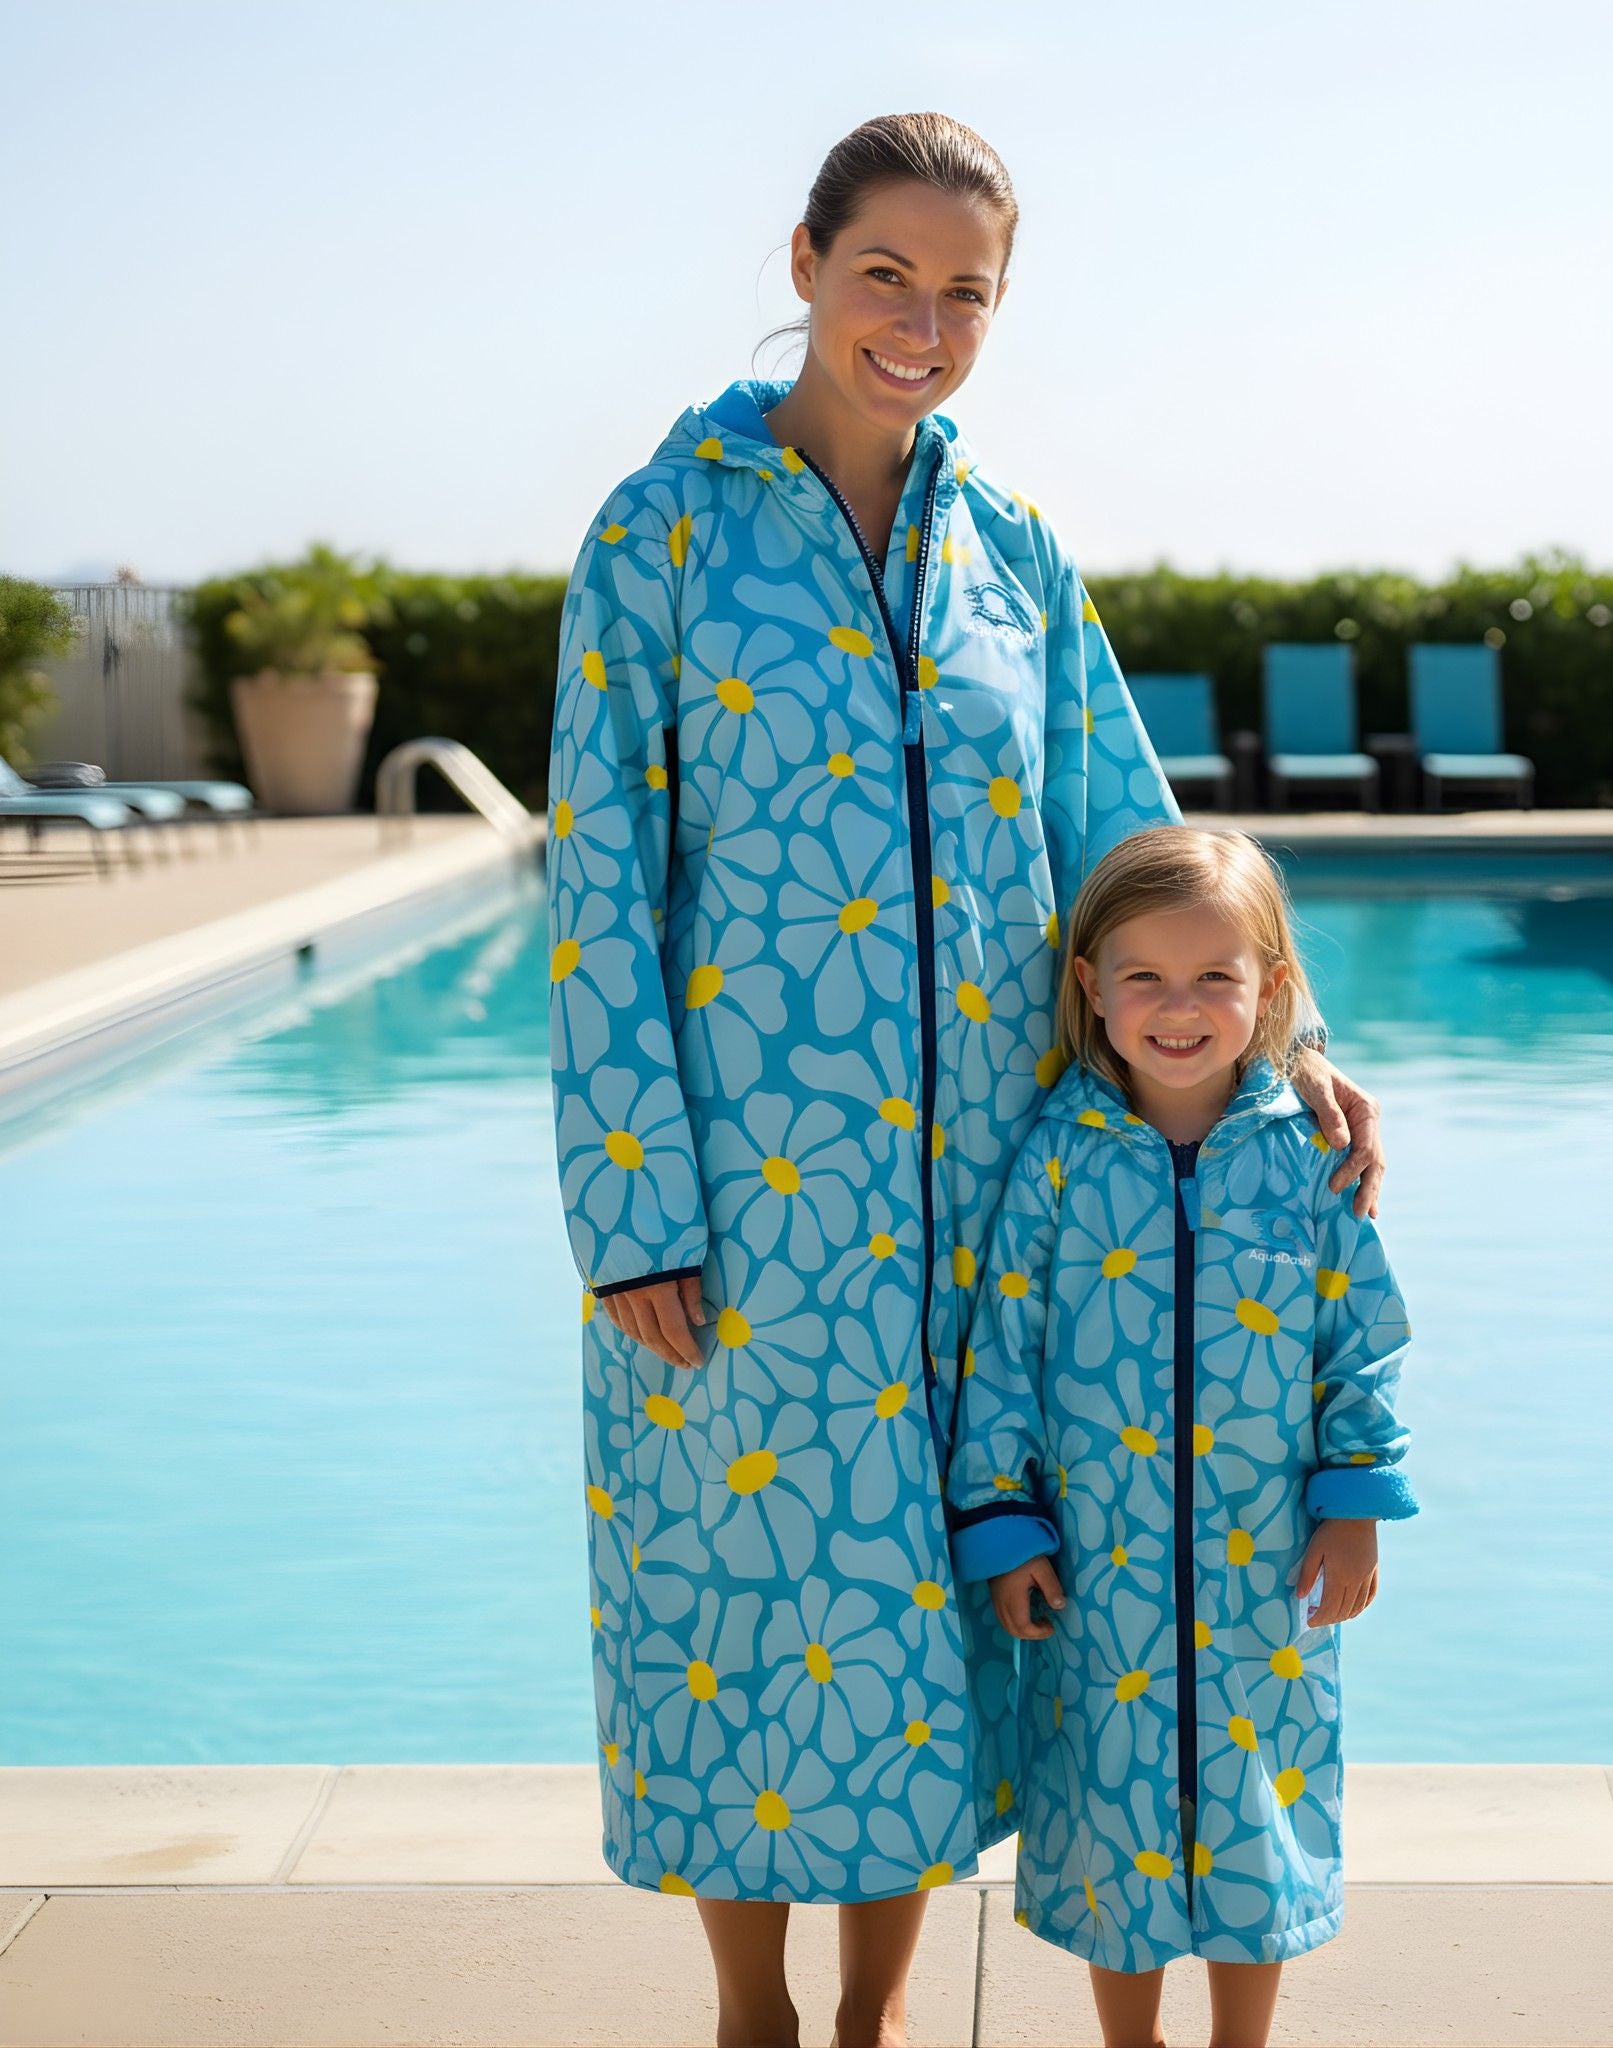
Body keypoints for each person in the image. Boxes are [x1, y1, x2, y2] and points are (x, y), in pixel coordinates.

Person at [545, 111, 1388, 2048]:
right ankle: (755, 2011)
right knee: (755, 1598)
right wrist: (631, 1205)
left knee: (925, 1612)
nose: (920, 326)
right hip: (748, 1204)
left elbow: (1124, 831)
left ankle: (875, 2015)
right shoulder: (659, 532)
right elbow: (596, 881)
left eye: (964, 293)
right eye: (884, 276)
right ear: (803, 265)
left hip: (998, 1201)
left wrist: (1295, 1043)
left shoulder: (1009, 549)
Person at [945, 823, 1418, 2048]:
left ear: (1271, 986)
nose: (1178, 1005)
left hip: (1267, 1566)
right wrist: (1003, 1522)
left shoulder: (1309, 1159)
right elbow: (1002, 1349)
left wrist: (1355, 1501)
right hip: (1102, 1575)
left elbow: (1360, 1338)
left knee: (1257, 1804)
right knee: (1114, 1808)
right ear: (1091, 986)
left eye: (1215, 975)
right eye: (1144, 976)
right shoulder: (1056, 1157)